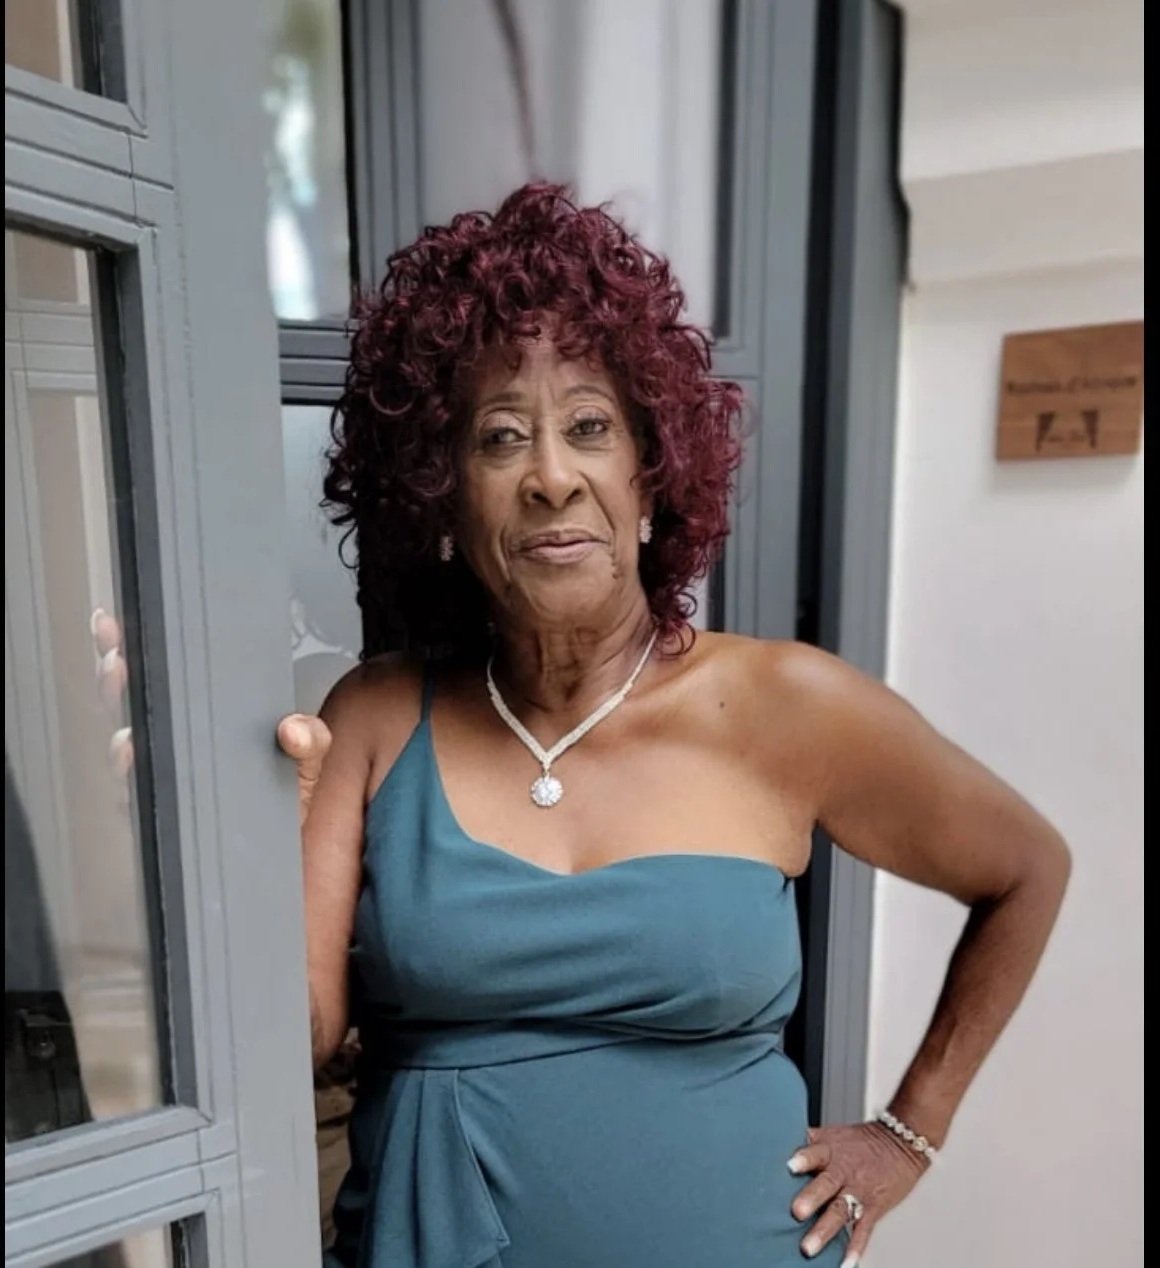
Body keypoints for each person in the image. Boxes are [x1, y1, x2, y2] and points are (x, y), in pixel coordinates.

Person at [276, 183, 1071, 1268]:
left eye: (590, 427)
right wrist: (228, 844)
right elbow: (290, 1043)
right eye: (501, 437)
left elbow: (1027, 867)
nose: (553, 475)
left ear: (650, 481)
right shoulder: (371, 717)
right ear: (443, 504)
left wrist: (907, 1132)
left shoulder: (788, 706)